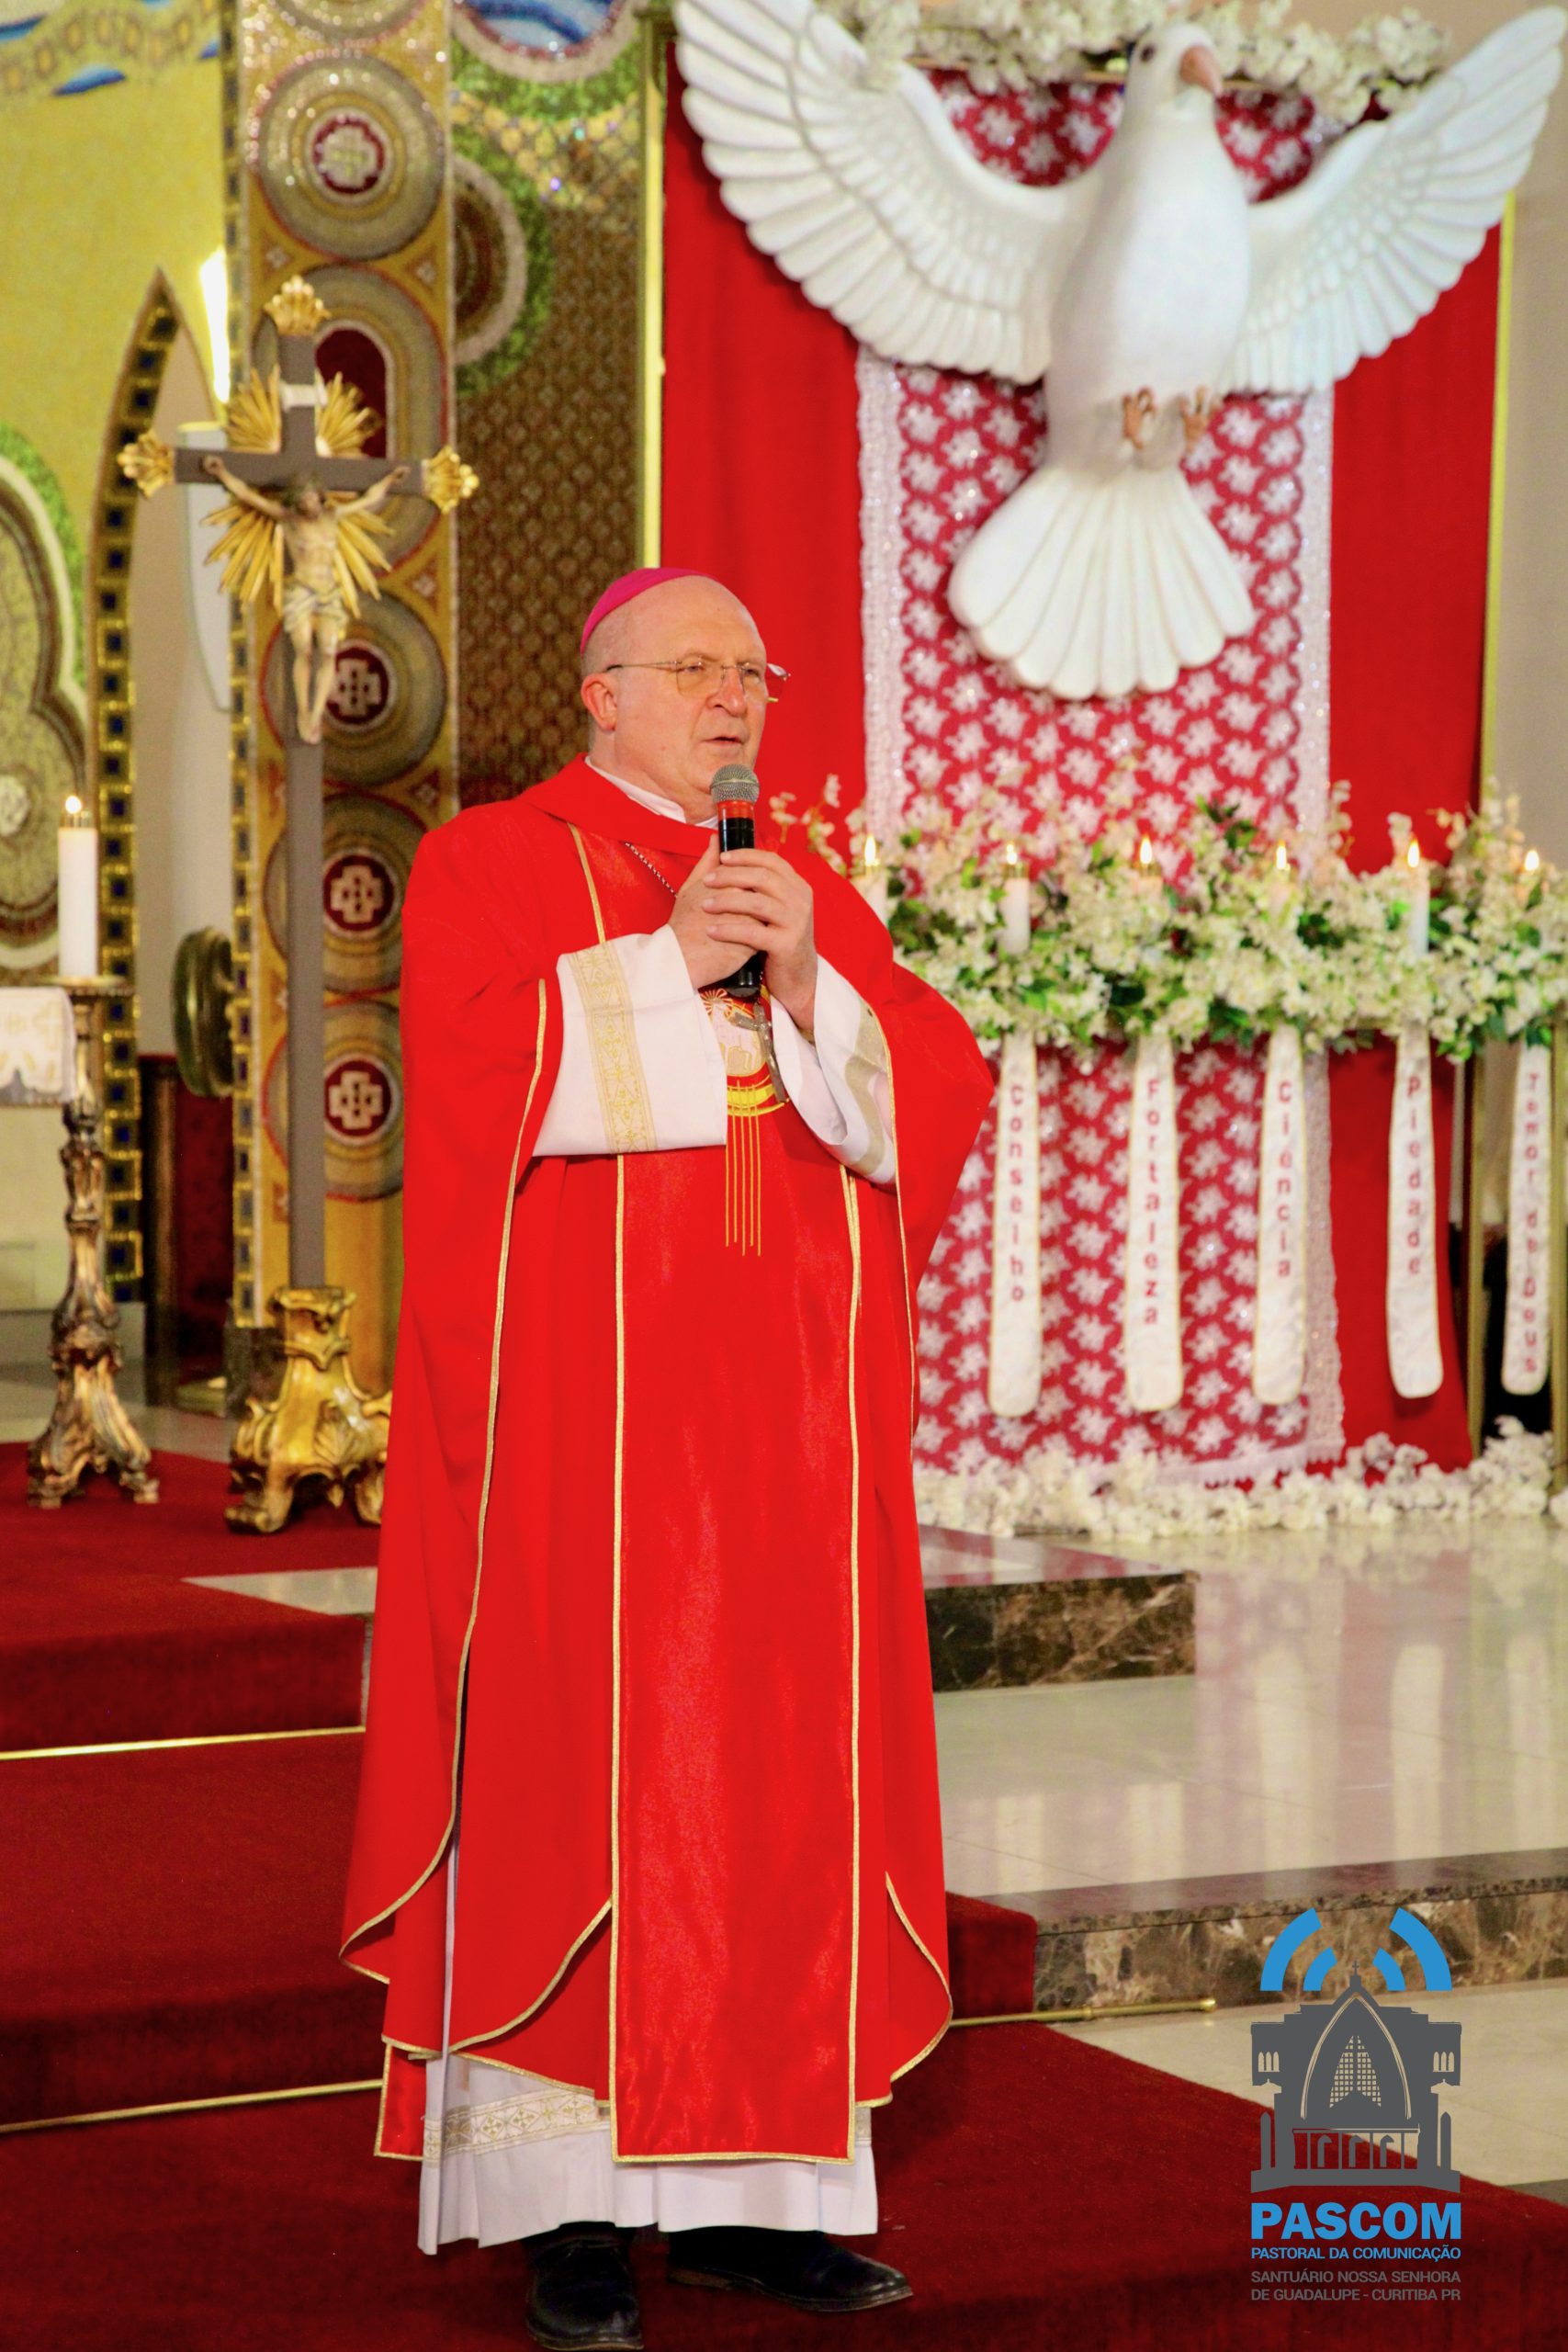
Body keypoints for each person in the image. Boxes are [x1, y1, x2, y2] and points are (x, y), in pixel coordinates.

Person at [343, 568, 992, 2349]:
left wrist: (807, 981)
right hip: (586, 1447)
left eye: (755, 674)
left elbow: (928, 1084)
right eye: (696, 667)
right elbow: (466, 1073)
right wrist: (664, 969)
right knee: (575, 1783)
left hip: (782, 1453)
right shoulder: (490, 859)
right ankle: (567, 2216)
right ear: (603, 688)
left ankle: (752, 2203)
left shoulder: (793, 879)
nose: (734, 698)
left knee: (777, 1799)